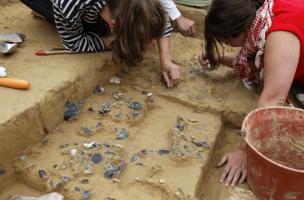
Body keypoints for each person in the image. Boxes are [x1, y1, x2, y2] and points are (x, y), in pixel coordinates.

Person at [198, 0, 304, 187]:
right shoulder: (262, 17)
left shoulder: (280, 34)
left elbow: (273, 99)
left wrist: (245, 152)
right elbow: (259, 60)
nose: (226, 45)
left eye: (225, 41)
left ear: (239, 31)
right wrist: (220, 59)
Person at [20, 0, 181, 88]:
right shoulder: (70, 4)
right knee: (71, 23)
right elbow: (74, 43)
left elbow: (158, 18)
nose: (155, 42)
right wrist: (108, 42)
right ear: (114, 26)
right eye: (150, 40)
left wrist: (165, 58)